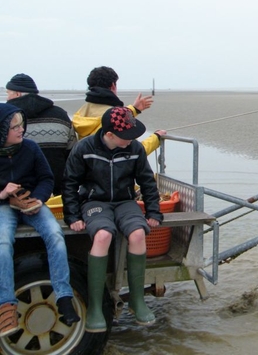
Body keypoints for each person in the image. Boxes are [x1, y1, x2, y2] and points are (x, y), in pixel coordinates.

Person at [62, 106, 163, 332]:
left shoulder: (135, 149)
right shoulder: (84, 148)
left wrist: (153, 212)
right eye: (125, 136)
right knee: (103, 234)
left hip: (125, 202)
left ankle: (137, 300)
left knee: (138, 233)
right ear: (109, 135)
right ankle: (96, 307)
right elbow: (70, 183)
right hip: (94, 203)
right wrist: (72, 216)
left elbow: (147, 182)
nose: (131, 139)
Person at [0, 103, 79, 337]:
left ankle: (64, 298)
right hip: (4, 205)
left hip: (32, 204)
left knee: (55, 234)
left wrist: (38, 199)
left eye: (21, 125)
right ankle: (6, 307)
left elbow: (47, 178)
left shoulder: (31, 148)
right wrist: (3, 193)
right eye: (15, 126)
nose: (21, 130)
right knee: (3, 244)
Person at [5, 73, 77, 196]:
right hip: (58, 189)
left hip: (17, 192)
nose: (7, 98)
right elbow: (72, 153)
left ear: (17, 94)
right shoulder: (61, 115)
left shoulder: (6, 118)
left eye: (8, 93)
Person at [72, 66, 166, 155]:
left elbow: (107, 116)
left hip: (89, 167)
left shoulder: (81, 112)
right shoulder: (112, 117)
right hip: (112, 169)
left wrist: (134, 109)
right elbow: (133, 154)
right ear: (113, 85)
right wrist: (156, 138)